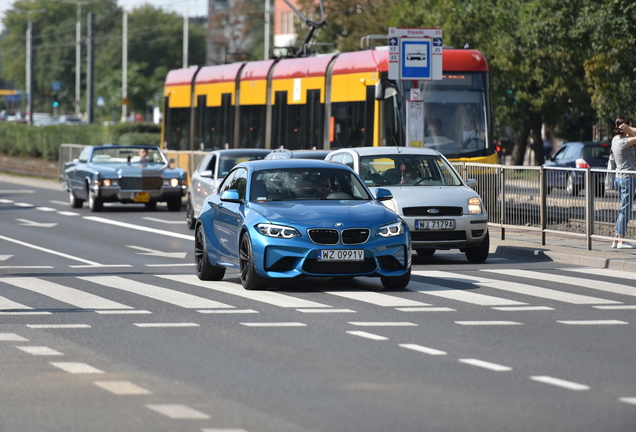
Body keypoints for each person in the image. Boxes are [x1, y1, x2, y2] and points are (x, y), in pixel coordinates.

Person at [611, 117, 636, 248]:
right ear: (625, 126)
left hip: (619, 178)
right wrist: (630, 129)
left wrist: (627, 130)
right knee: (625, 209)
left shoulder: (615, 140)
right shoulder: (626, 142)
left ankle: (616, 239)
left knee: (622, 208)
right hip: (628, 178)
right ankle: (621, 240)